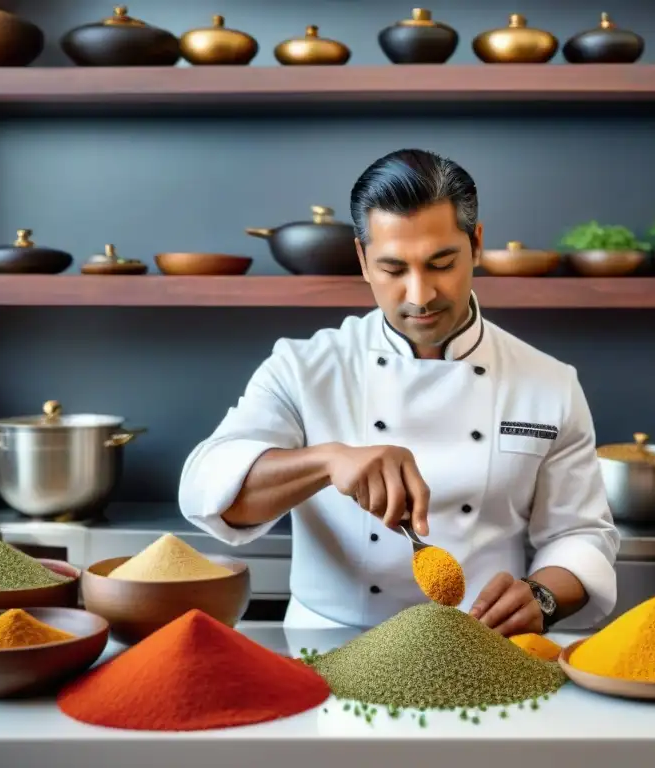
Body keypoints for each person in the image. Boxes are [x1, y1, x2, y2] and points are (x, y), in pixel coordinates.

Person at [178, 148, 619, 635]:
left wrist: (543, 597)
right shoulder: (305, 367)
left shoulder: (549, 382)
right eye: (393, 269)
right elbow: (208, 489)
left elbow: (580, 534)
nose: (420, 294)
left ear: (476, 244)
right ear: (363, 260)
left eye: (441, 263)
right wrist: (328, 461)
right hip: (328, 647)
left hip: (482, 649)